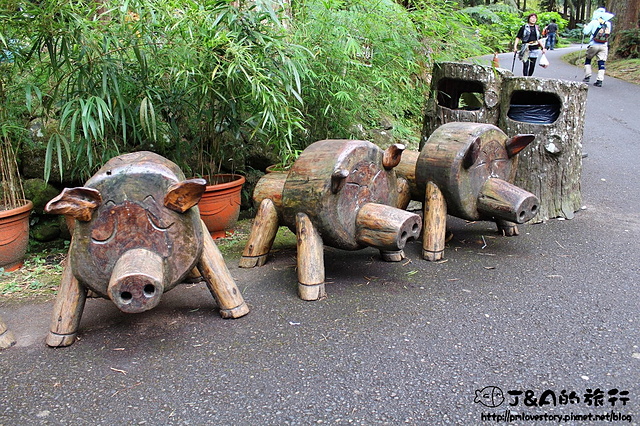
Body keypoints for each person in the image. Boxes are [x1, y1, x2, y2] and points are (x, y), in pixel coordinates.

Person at [583, 7, 614, 87]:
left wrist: (585, 27)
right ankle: (599, 80)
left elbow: (586, 32)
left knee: (588, 59)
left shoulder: (594, 22)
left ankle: (587, 76)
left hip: (593, 44)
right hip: (604, 45)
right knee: (601, 63)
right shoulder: (608, 23)